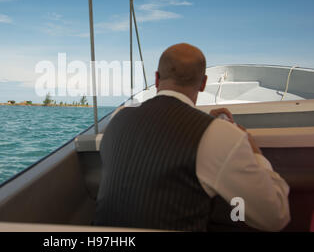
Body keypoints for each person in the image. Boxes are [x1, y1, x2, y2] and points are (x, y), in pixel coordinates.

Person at [93, 43, 290, 232]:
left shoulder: (118, 119)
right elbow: (274, 217)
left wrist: (209, 126)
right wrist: (253, 150)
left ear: (156, 79)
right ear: (203, 83)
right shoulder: (220, 136)